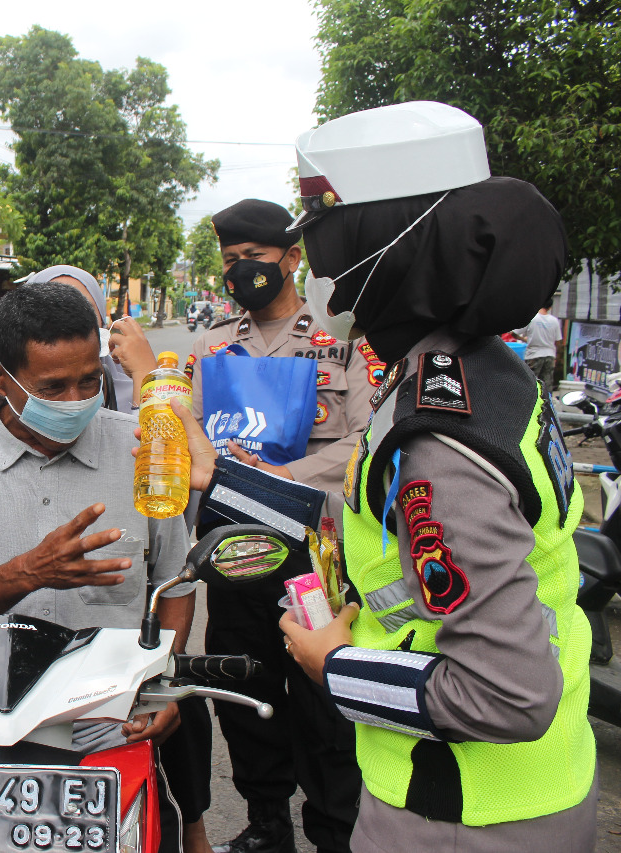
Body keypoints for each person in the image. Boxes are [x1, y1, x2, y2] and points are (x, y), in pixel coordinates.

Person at [182, 101, 594, 851]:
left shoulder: (437, 435)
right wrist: (224, 480)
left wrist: (334, 666)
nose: (321, 271)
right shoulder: (478, 372)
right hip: (508, 794)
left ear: (384, 245)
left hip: (463, 814)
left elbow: (506, 693)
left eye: (327, 241)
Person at [0, 281, 194, 850]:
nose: (77, 401)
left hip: (111, 729)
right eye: (52, 388)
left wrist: (163, 684)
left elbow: (174, 584)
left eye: (89, 381)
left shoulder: (143, 447)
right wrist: (29, 573)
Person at [186, 199, 367, 853]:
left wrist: (285, 476)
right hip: (237, 548)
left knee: (324, 699)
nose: (241, 270)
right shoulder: (212, 348)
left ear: (291, 259)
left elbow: (366, 441)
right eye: (230, 259)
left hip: (315, 554)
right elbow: (191, 441)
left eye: (253, 258)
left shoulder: (343, 341)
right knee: (243, 685)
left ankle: (334, 830)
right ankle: (267, 821)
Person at [0, 265, 158, 436]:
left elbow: (157, 462)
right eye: (52, 387)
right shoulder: (7, 396)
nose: (73, 399)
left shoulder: (131, 389)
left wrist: (148, 379)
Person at [515, 298, 562, 391]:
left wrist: (523, 339)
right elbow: (558, 341)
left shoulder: (532, 318)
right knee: (547, 384)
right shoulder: (554, 321)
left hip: (534, 355)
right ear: (550, 307)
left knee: (531, 383)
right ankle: (547, 400)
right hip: (550, 355)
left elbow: (514, 333)